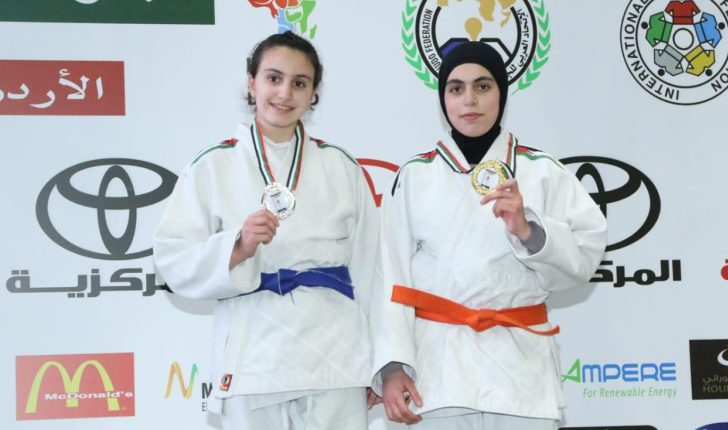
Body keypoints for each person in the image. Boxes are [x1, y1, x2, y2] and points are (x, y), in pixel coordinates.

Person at [369, 41, 607, 429]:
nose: (470, 100)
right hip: (438, 373)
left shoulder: (543, 171)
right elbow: (389, 277)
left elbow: (584, 258)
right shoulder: (414, 176)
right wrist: (393, 366)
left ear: (502, 93)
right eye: (456, 88)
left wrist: (529, 231)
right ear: (443, 99)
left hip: (520, 372)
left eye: (483, 86)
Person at [153, 31, 377, 430]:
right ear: (251, 82)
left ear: (313, 93)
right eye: (273, 78)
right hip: (254, 356)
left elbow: (373, 268)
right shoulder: (213, 165)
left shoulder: (341, 166)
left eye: (299, 83)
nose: (284, 93)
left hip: (336, 355)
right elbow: (172, 260)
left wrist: (379, 363)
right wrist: (236, 246)